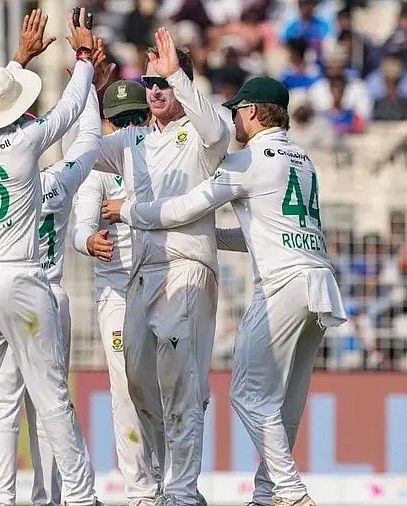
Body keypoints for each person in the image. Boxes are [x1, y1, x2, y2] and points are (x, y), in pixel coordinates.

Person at [103, 76, 347, 506]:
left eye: (237, 111)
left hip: (282, 285)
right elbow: (260, 232)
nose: (233, 118)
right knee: (284, 403)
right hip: (319, 283)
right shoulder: (302, 158)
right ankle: (268, 493)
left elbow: (184, 207)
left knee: (248, 395)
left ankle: (290, 492)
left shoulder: (248, 161)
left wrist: (129, 210)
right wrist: (206, 236)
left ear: (252, 112)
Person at [0, 8, 102, 506]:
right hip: (21, 280)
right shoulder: (25, 143)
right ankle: (80, 497)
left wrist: (18, 59)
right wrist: (84, 59)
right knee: (51, 398)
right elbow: (71, 112)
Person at [93, 27, 230, 506]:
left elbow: (219, 132)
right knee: (137, 382)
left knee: (180, 383)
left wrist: (179, 77)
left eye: (163, 83)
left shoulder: (200, 135)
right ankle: (159, 481)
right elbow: (84, 151)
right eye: (149, 83)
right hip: (140, 274)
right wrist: (90, 93)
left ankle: (183, 490)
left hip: (186, 268)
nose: (154, 91)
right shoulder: (133, 141)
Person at [0, 16, 112, 504]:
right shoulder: (56, 182)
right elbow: (88, 141)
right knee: (51, 405)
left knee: (2, 405)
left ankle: (1, 498)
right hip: (46, 295)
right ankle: (50, 497)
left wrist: (18, 61)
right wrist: (89, 85)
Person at [72, 80, 161, 506]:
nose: (129, 128)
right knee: (126, 388)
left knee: (171, 384)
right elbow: (80, 228)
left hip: (161, 283)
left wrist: (128, 209)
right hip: (118, 291)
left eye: (137, 117)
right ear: (107, 122)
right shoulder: (99, 169)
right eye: (120, 120)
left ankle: (174, 482)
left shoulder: (162, 155)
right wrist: (90, 241)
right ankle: (141, 490)